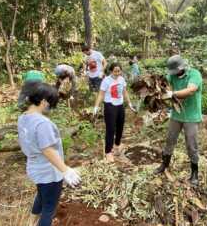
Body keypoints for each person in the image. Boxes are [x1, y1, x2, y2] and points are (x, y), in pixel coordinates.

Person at [17, 83, 81, 226]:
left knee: (41, 194)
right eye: (50, 104)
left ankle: (32, 219)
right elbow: (48, 150)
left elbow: (22, 141)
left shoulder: (23, 118)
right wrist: (65, 170)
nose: (50, 109)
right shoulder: (42, 123)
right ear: (44, 101)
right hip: (48, 171)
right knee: (49, 207)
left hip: (34, 167)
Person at [154, 55, 203, 186]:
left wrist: (172, 94)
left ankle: (194, 173)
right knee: (170, 140)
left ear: (181, 67)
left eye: (175, 71)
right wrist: (158, 87)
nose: (173, 74)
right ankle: (164, 164)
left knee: (191, 144)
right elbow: (163, 83)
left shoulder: (194, 74)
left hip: (191, 116)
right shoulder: (172, 76)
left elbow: (191, 90)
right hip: (176, 115)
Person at [93, 63, 136, 162]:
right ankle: (108, 152)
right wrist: (96, 106)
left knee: (120, 127)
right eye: (115, 71)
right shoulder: (106, 81)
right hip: (110, 106)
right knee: (110, 129)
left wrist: (129, 103)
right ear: (111, 71)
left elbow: (125, 92)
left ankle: (117, 146)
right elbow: (101, 94)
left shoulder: (121, 79)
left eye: (119, 71)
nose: (117, 73)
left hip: (120, 106)